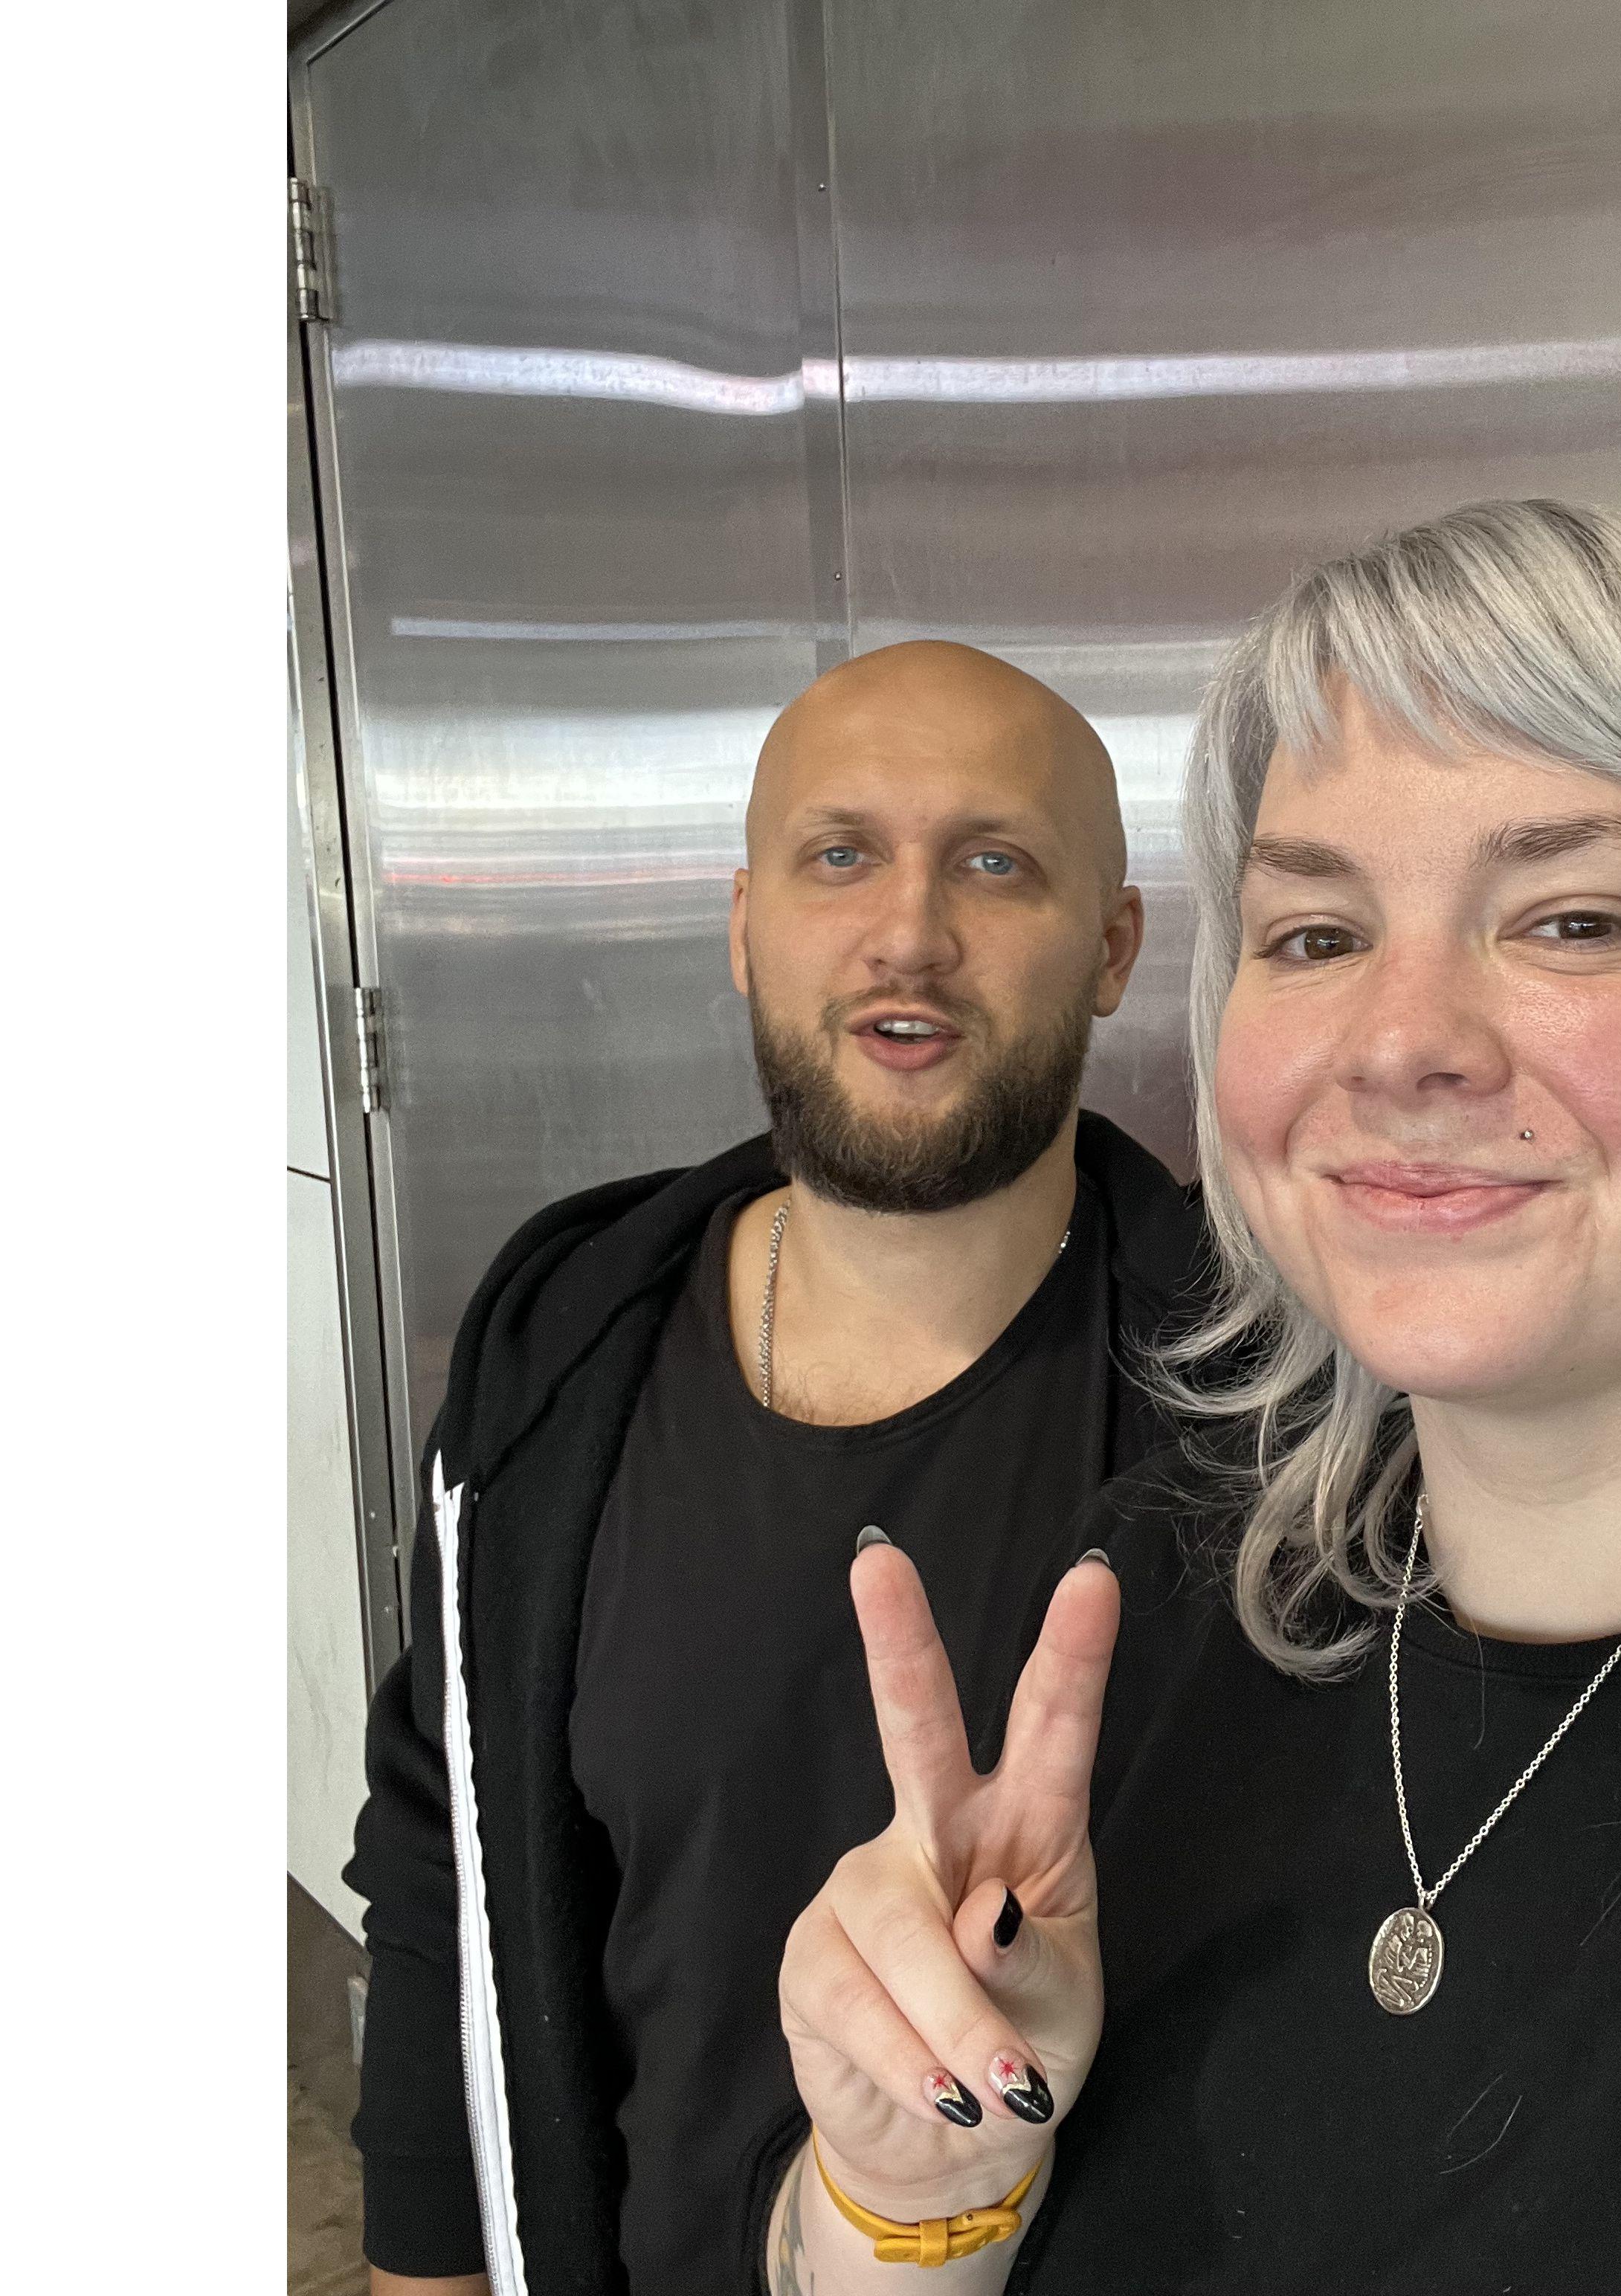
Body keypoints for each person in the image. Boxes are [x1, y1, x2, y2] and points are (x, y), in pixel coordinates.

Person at [762, 501, 1621, 2294]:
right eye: (1315, 934)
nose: (1400, 1039)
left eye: (1571, 917)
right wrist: (917, 2187)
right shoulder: (1167, 1588)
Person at [346, 642, 1214, 2296]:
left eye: (994, 862)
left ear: (1113, 950)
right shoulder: (560, 1342)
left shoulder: (1265, 1422)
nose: (908, 931)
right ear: (746, 924)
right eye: (840, 854)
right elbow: (447, 1861)